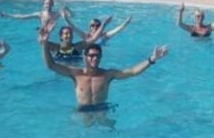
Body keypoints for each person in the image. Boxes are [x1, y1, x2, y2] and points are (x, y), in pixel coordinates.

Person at [40, 22, 168, 111]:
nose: (94, 58)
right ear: (85, 57)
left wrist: (152, 59)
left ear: (100, 57)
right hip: (83, 109)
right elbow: (51, 65)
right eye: (91, 55)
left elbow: (132, 71)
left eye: (97, 56)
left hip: (102, 108)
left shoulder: (107, 74)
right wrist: (45, 43)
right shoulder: (76, 73)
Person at [43, 22, 109, 62]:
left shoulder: (78, 47)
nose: (69, 35)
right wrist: (47, 34)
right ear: (61, 36)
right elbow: (43, 43)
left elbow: (94, 38)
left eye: (70, 33)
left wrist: (103, 25)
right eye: (66, 34)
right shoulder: (55, 48)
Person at [64, 12, 131, 43]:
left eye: (97, 25)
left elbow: (117, 30)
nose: (95, 27)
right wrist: (66, 19)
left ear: (100, 27)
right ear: (90, 27)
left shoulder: (104, 35)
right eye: (93, 25)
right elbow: (74, 28)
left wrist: (126, 22)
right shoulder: (86, 35)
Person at [0, 0, 65, 28]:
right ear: (44, 5)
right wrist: (7, 15)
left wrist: (66, 9)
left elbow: (70, 16)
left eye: (49, 3)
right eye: (46, 3)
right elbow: (23, 17)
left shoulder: (56, 14)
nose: (47, 5)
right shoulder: (40, 14)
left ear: (52, 5)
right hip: (43, 31)